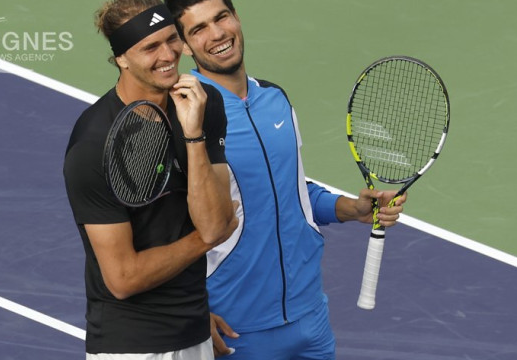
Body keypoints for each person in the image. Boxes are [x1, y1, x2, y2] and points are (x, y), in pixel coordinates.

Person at [165, 0, 408, 359]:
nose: (217, 34)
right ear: (184, 45)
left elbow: (291, 190)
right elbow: (160, 227)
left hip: (310, 320)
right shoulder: (183, 114)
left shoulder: (275, 99)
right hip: (236, 332)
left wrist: (352, 208)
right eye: (199, 29)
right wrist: (189, 311)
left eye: (222, 17)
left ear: (237, 18)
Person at [63, 0, 238, 358]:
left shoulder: (204, 104)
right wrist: (205, 240)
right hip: (132, 345)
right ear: (122, 59)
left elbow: (216, 220)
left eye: (171, 39)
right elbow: (123, 279)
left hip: (194, 333)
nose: (168, 54)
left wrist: (193, 136)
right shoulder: (93, 144)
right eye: (150, 47)